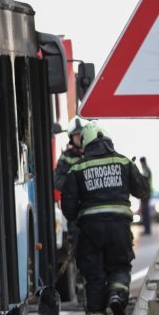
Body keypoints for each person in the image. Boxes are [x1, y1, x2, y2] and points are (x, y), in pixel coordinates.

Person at [61, 121, 150, 315]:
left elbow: (68, 207)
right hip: (119, 228)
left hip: (90, 230)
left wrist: (78, 220)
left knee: (94, 276)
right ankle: (117, 297)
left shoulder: (77, 168)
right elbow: (142, 191)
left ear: (86, 143)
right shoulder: (123, 162)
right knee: (119, 266)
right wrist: (141, 173)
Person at [54, 117, 86, 304]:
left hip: (92, 211)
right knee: (80, 253)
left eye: (81, 136)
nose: (79, 138)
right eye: (76, 136)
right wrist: (74, 185)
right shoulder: (67, 157)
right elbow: (57, 180)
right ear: (71, 138)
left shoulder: (91, 154)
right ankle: (82, 294)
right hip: (76, 213)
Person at [139, 157, 153, 234]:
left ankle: (147, 230)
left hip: (146, 194)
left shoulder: (146, 170)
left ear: (143, 162)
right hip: (145, 193)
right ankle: (146, 229)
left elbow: (144, 180)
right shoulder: (145, 170)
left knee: (145, 212)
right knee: (144, 212)